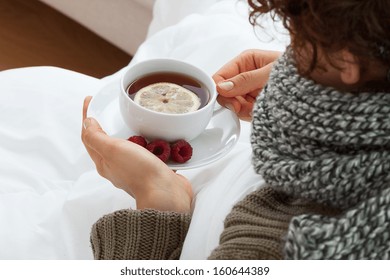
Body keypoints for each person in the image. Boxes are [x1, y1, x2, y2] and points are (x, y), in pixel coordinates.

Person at [82, 0, 390, 259]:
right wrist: (316, 78)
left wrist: (156, 202)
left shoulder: (284, 243)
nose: (290, 56)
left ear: (347, 61)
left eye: (297, 36)